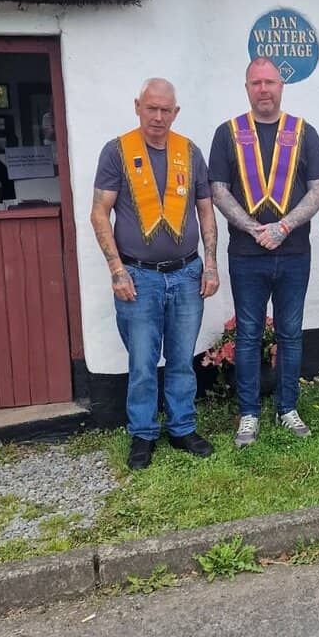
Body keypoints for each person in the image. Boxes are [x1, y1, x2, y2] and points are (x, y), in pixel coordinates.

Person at [91, 78, 219, 470]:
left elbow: (205, 210)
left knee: (182, 359)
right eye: (151, 108)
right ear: (138, 106)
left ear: (175, 112)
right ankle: (143, 434)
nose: (158, 117)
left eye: (166, 110)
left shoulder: (190, 152)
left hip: (187, 274)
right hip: (138, 276)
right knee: (143, 364)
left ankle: (182, 428)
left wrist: (211, 263)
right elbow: (99, 212)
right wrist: (116, 270)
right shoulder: (117, 152)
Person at [209, 58, 319, 447]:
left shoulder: (304, 132)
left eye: (270, 82)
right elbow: (218, 190)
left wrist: (283, 227)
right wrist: (252, 227)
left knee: (290, 333)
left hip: (293, 252)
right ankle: (249, 413)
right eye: (256, 83)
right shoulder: (227, 133)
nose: (264, 89)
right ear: (247, 88)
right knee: (248, 334)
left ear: (282, 86)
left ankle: (287, 407)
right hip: (246, 254)